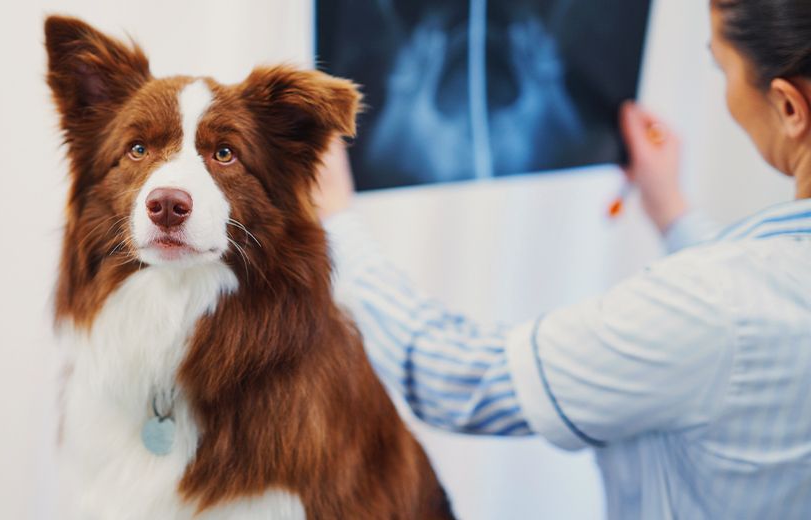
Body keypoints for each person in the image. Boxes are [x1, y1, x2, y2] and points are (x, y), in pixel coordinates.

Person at [313, 1, 811, 518]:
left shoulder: (712, 306)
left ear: (790, 108)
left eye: (722, 68)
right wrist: (673, 212)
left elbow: (455, 380)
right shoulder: (742, 298)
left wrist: (336, 221)